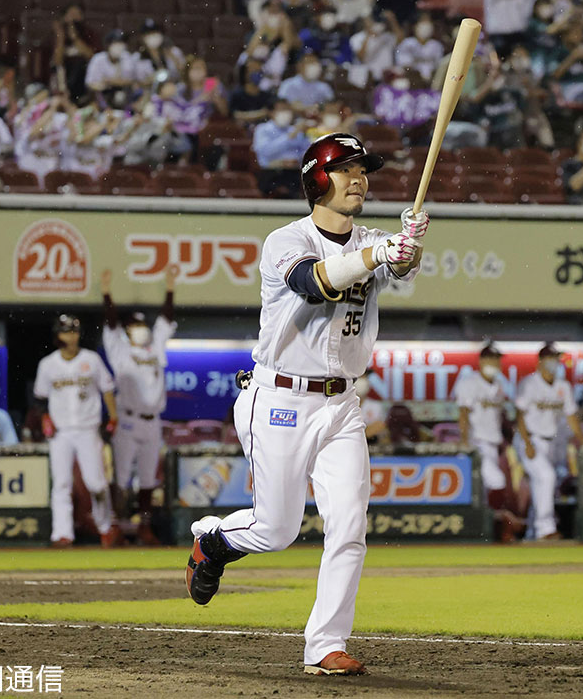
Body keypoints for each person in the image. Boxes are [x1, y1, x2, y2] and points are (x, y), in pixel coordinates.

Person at [185, 132, 427, 676]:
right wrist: (380, 252)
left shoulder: (371, 238)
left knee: (349, 526)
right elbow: (314, 283)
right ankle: (214, 542)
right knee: (278, 531)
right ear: (317, 179)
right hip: (279, 398)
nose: (359, 178)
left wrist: (408, 248)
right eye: (345, 169)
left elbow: (400, 269)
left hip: (342, 403)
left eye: (363, 169)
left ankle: (325, 645)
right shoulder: (284, 240)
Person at [101, 265, 178, 546]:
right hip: (128, 419)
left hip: (152, 421)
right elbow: (110, 324)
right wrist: (106, 293)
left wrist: (170, 288)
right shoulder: (121, 350)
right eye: (134, 325)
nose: (140, 329)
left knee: (148, 478)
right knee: (121, 478)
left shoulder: (155, 348)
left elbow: (166, 320)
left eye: (141, 325)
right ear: (127, 329)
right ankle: (116, 525)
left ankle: (144, 527)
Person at [33, 314, 121, 548]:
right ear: (57, 335)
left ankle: (106, 526)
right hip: (61, 432)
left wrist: (112, 417)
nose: (70, 336)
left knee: (96, 483)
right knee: (61, 483)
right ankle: (62, 534)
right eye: (65, 332)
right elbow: (40, 398)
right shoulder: (48, 364)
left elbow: (107, 389)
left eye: (73, 331)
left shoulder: (91, 359)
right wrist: (45, 418)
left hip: (87, 429)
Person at [513, 343, 583, 540]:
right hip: (530, 439)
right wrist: (527, 443)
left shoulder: (563, 386)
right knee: (546, 476)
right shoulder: (529, 384)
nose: (554, 362)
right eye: (550, 358)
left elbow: (571, 416)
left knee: (544, 485)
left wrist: (582, 440)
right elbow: (519, 415)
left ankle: (533, 532)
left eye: (556, 358)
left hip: (552, 443)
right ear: (541, 361)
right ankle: (546, 529)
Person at [457, 345, 508, 509]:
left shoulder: (499, 385)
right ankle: (498, 521)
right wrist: (465, 441)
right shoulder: (469, 383)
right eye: (491, 359)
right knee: (497, 481)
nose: (495, 363)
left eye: (497, 359)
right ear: (481, 361)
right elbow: (463, 413)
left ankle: (487, 528)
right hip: (476, 443)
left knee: (482, 491)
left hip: (493, 444)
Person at [252, 100, 311, 198]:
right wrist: (289, 137)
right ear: (271, 113)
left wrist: (297, 160)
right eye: (282, 109)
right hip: (271, 173)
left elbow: (307, 152)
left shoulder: (296, 130)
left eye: (288, 109)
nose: (286, 113)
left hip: (294, 172)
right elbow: (267, 151)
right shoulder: (262, 129)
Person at [52, 3, 98, 102]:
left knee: (81, 65)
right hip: (62, 76)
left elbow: (91, 56)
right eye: (70, 15)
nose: (73, 19)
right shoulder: (56, 35)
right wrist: (61, 38)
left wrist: (75, 38)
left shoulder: (88, 33)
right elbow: (57, 61)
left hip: (81, 78)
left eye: (76, 15)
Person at [85, 29, 138, 109]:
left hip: (123, 94)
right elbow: (90, 83)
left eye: (122, 43)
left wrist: (110, 81)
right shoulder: (98, 59)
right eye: (116, 43)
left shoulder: (126, 57)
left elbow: (130, 81)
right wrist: (108, 84)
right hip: (104, 95)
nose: (120, 46)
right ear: (108, 45)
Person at [394, 13, 445, 82]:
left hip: (430, 82)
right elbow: (404, 65)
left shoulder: (436, 45)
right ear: (415, 26)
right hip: (409, 81)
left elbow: (439, 67)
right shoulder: (407, 43)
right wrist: (417, 78)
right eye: (422, 22)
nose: (426, 26)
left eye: (428, 23)